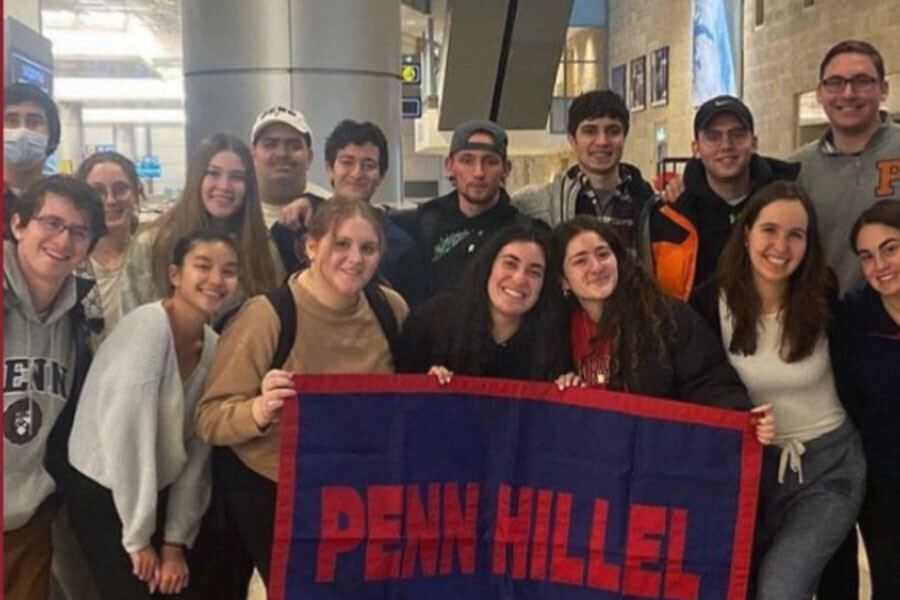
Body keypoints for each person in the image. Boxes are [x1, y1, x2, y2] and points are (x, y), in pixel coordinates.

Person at [194, 198, 409, 588]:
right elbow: (209, 419)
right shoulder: (266, 316)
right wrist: (259, 410)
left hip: (356, 491)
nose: (354, 258)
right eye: (340, 244)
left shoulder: (390, 309)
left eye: (368, 248)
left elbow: (410, 397)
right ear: (311, 247)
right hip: (276, 491)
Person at [689, 180, 866, 599]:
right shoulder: (709, 302)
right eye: (770, 230)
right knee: (739, 585)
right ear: (747, 232)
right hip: (753, 471)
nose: (781, 246)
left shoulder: (821, 293)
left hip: (829, 469)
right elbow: (697, 382)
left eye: (796, 235)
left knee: (781, 588)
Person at [65, 231, 239, 599]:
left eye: (228, 271)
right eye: (203, 267)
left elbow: (197, 452)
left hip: (155, 486)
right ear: (175, 275)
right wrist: (137, 537)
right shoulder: (146, 329)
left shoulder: (213, 347)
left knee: (179, 583)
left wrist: (176, 542)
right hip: (104, 485)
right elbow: (127, 439)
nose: (216, 280)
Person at [554, 217, 773, 440]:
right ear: (563, 280)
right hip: (596, 456)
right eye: (580, 261)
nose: (596, 267)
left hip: (657, 453)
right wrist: (562, 390)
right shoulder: (556, 332)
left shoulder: (667, 317)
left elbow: (709, 382)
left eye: (603, 254)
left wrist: (742, 419)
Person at [3, 175, 106, 600]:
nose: (63, 239)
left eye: (78, 231)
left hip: (30, 515)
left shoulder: (79, 316)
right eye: (51, 223)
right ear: (18, 225)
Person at [820, 200, 900, 600]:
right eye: (867, 257)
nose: (880, 265)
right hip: (884, 484)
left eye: (891, 248)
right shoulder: (854, 317)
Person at [650, 95, 799, 299]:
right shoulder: (669, 216)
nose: (726, 145)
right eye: (713, 136)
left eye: (737, 134)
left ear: (753, 143)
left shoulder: (787, 206)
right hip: (693, 329)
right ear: (696, 148)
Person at [121, 133, 281, 316]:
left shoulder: (263, 248)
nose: (224, 186)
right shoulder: (152, 244)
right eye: (213, 173)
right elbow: (135, 321)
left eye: (237, 177)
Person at [271, 119, 425, 304]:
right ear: (329, 169)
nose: (357, 173)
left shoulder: (401, 246)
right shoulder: (295, 226)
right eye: (347, 162)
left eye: (368, 165)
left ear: (382, 175)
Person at [791, 40, 900, 292]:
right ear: (820, 93)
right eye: (835, 82)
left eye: (862, 81)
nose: (848, 93)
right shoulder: (795, 169)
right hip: (827, 317)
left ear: (883, 89)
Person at [397, 224, 570, 382]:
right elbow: (399, 404)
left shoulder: (555, 338)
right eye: (510, 264)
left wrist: (567, 386)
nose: (519, 279)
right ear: (488, 266)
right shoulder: (428, 323)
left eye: (534, 272)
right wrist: (423, 387)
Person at [394, 119, 539, 299]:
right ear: (450, 165)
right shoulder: (423, 222)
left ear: (506, 168)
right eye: (467, 160)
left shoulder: (525, 232)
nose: (478, 172)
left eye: (490, 162)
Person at [512, 90, 655, 258]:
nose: (602, 141)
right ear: (572, 140)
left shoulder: (649, 204)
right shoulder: (533, 206)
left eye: (613, 131)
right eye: (590, 131)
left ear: (624, 137)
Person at [74, 152, 144, 341]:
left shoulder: (152, 260)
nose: (110, 200)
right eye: (97, 191)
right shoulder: (68, 266)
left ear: (137, 195)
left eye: (120, 189)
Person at [250, 105, 331, 230]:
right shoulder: (236, 211)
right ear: (253, 155)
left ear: (309, 157)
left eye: (294, 145)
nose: (282, 154)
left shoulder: (331, 209)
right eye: (270, 145)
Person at [4, 83, 62, 234]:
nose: (22, 131)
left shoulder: (64, 199)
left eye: (34, 122)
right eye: (11, 121)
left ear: (52, 136)